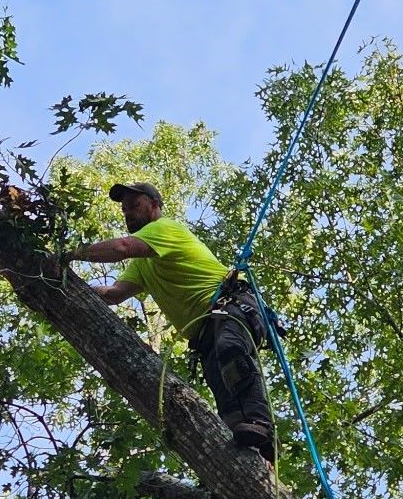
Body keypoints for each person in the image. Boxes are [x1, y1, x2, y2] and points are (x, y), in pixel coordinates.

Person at [67, 180, 277, 466]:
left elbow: (122, 246)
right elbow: (114, 294)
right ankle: (252, 456)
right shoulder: (143, 263)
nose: (128, 213)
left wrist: (70, 254)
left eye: (134, 206)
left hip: (231, 307)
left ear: (154, 205)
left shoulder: (165, 229)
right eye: (125, 209)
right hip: (205, 333)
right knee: (223, 389)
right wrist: (68, 283)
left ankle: (260, 424)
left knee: (231, 352)